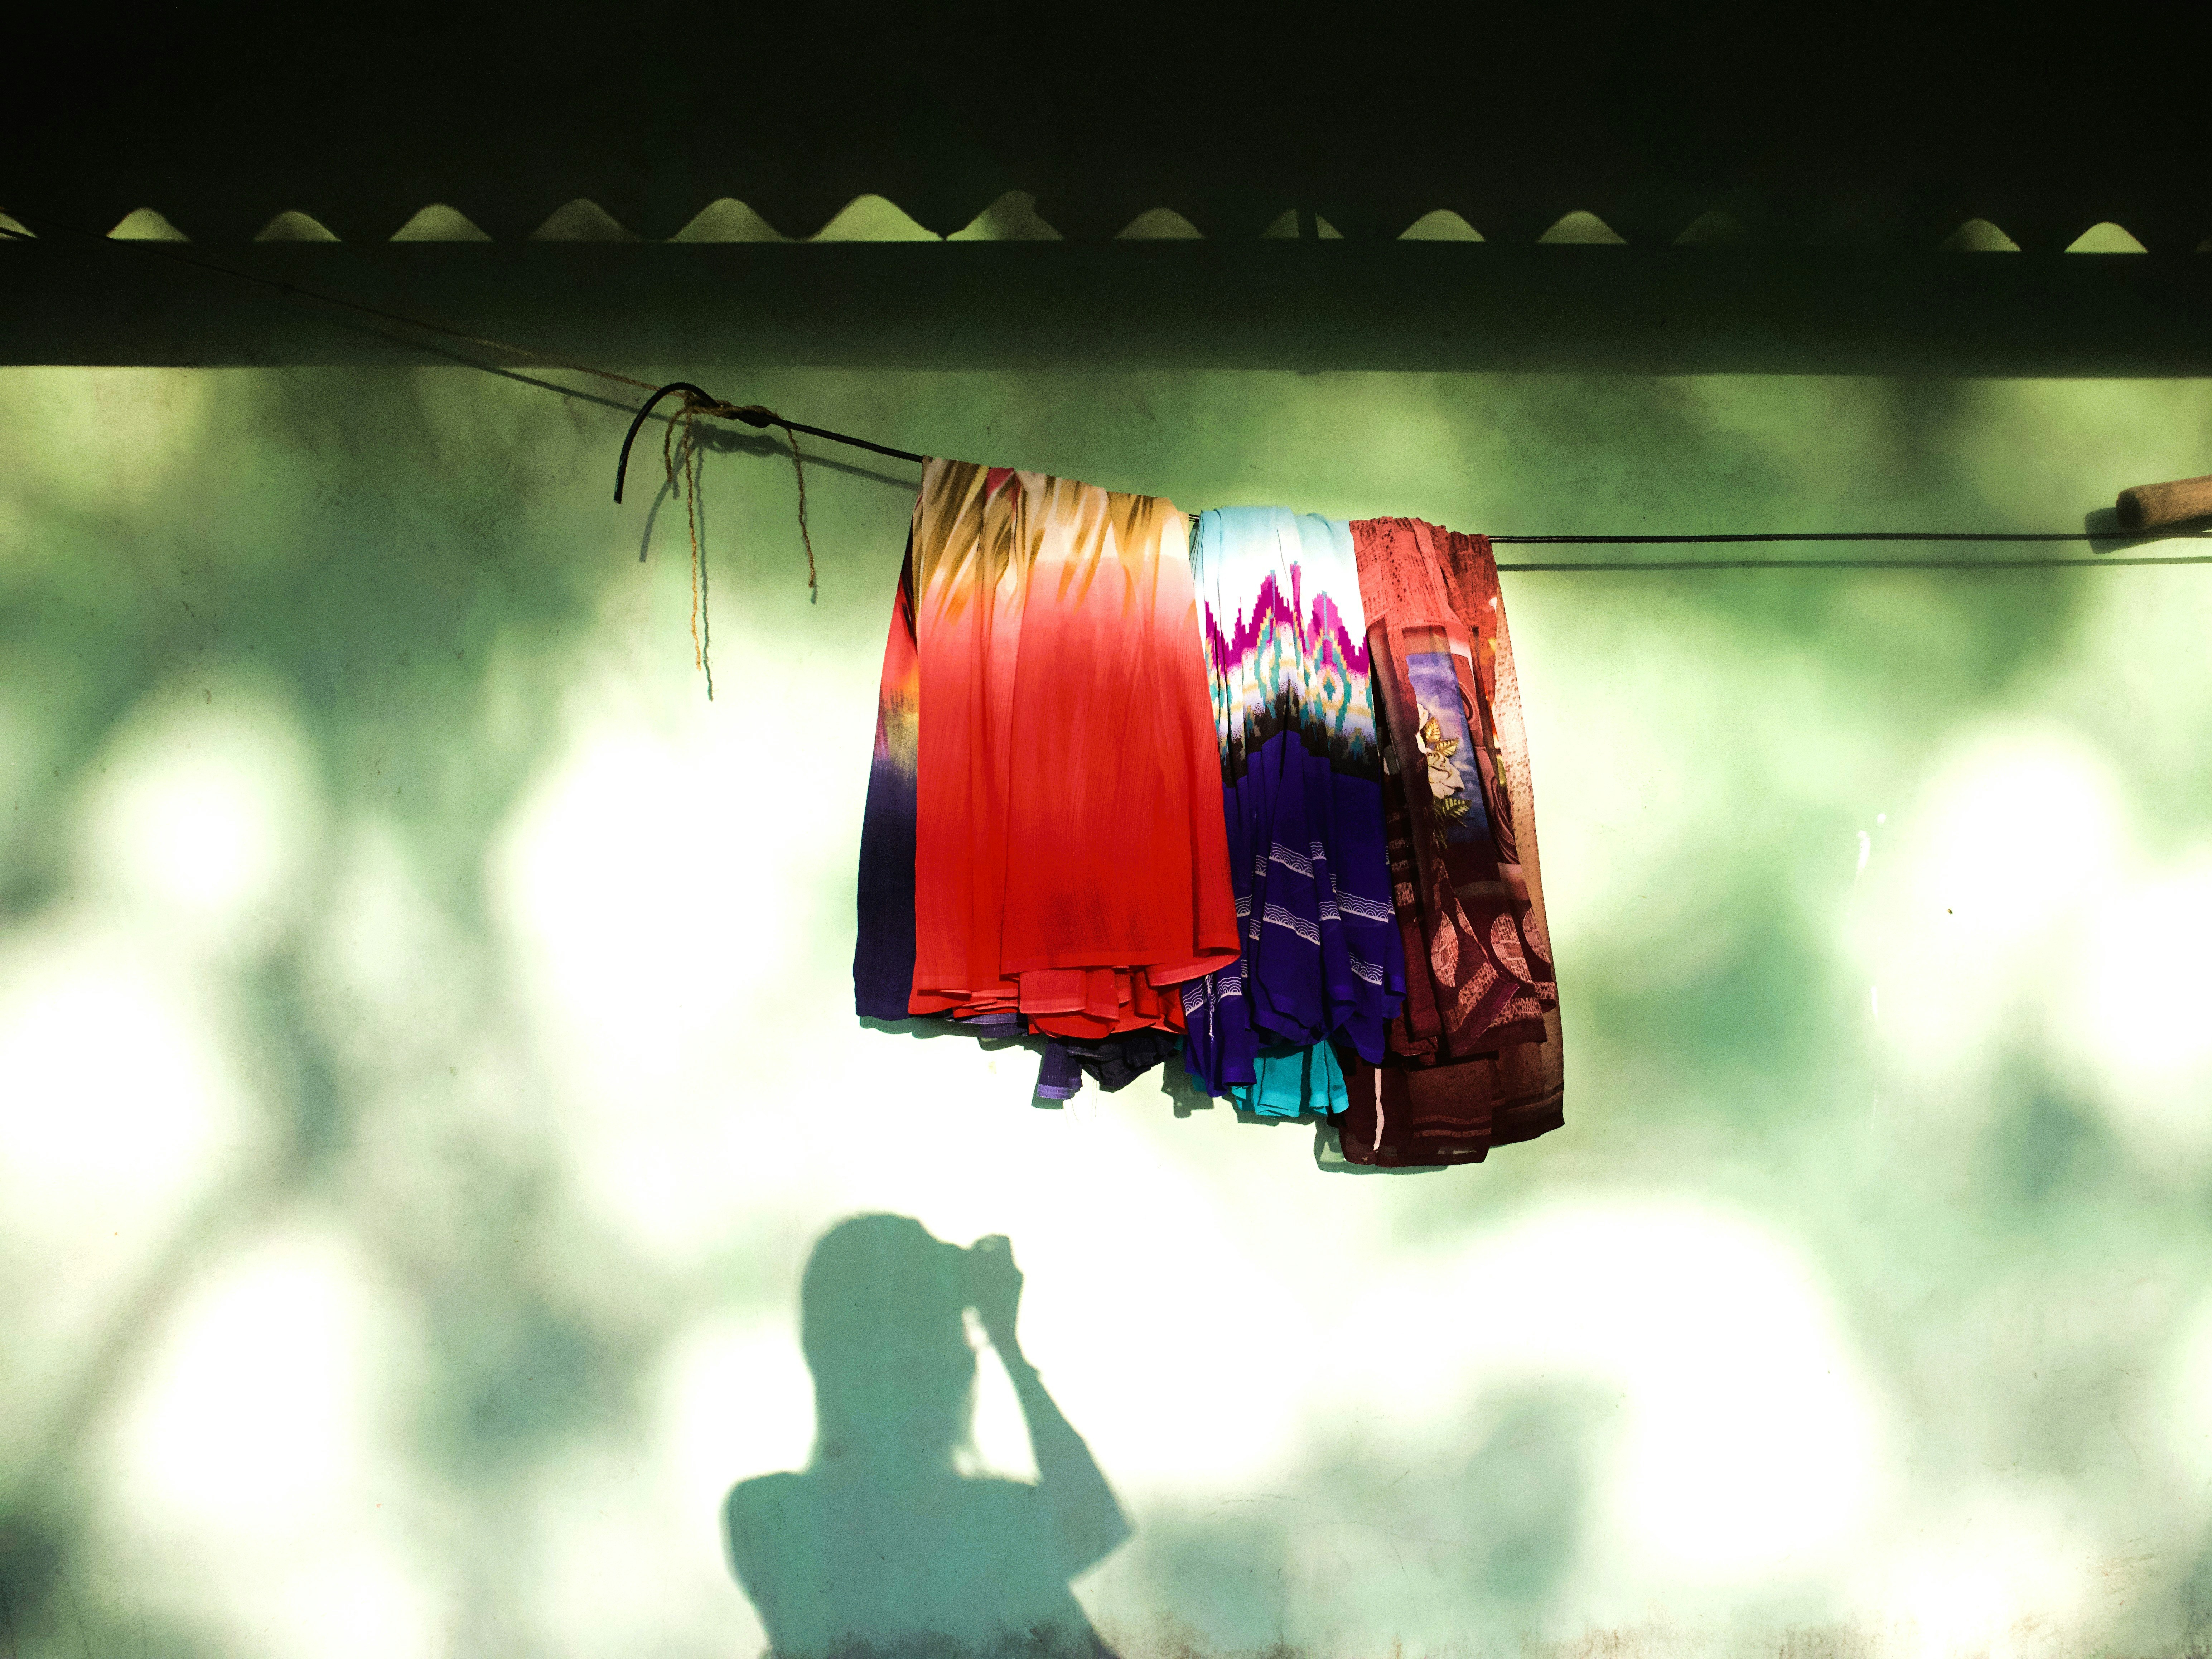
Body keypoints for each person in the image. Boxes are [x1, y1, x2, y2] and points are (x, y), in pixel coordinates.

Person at [725, 1215, 1131, 1659]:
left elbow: (1093, 1528)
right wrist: (1005, 1344)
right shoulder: (993, 1527)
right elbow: (1093, 1528)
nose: (896, 1357)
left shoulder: (769, 1514)